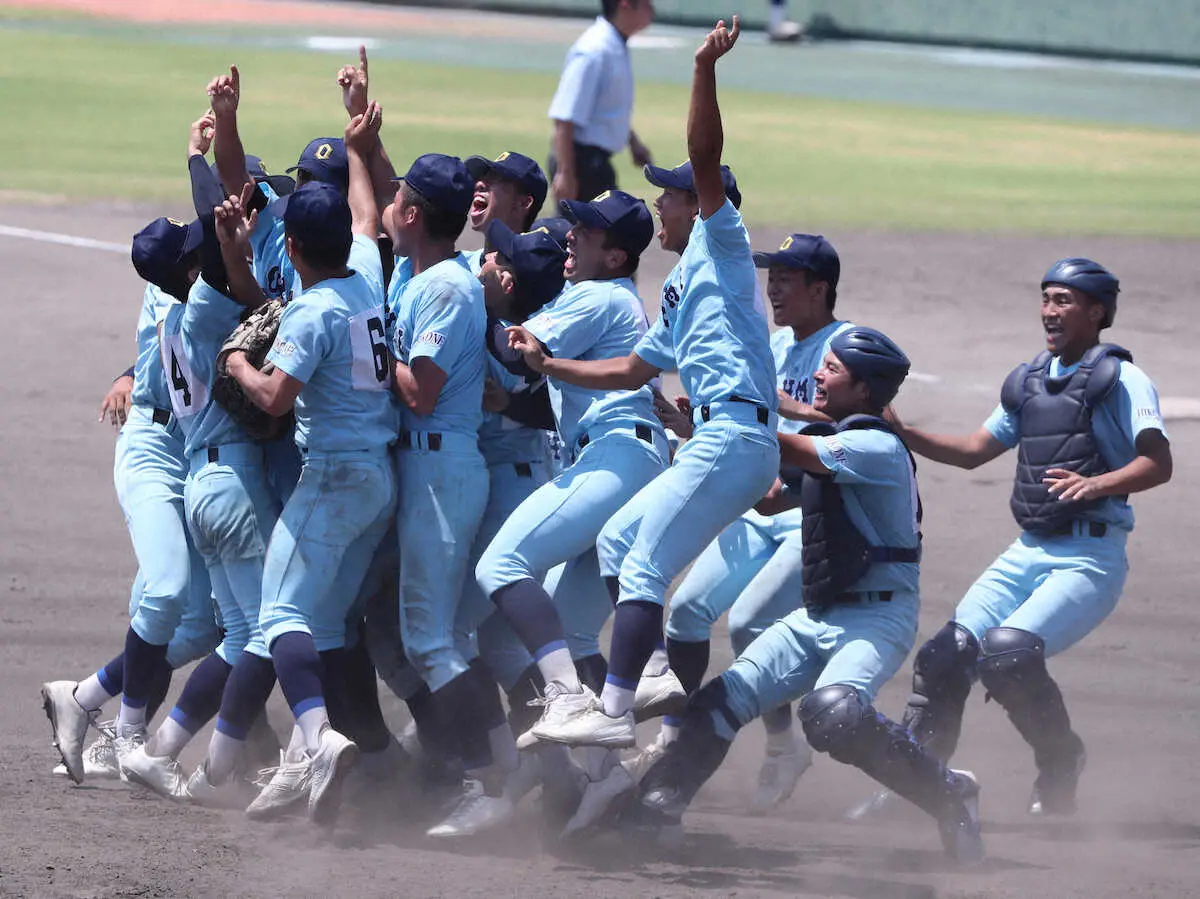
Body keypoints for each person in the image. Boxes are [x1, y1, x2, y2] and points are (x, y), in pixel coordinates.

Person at [507, 17, 782, 832]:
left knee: (642, 559)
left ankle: (615, 711)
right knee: (622, 541)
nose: (661, 200)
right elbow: (631, 370)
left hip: (737, 436)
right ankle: (642, 688)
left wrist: (703, 69)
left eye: (670, 193)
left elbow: (703, 151)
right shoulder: (680, 287)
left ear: (702, 206)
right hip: (718, 435)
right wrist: (552, 366)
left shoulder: (723, 244)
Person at [627, 327, 985, 863]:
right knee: (715, 705)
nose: (818, 374)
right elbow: (770, 499)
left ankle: (951, 793)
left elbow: (786, 444)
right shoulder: (838, 444)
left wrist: (715, 417)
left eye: (833, 369)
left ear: (863, 390)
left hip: (877, 620)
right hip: (819, 615)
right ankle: (655, 811)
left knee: (834, 715)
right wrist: (693, 433)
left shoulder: (873, 446)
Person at [854, 258, 1172, 820]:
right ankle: (916, 782)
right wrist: (904, 433)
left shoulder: (1122, 378)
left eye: (1063, 300)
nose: (1049, 310)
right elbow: (974, 452)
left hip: (1089, 558)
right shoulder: (1030, 381)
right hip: (1028, 549)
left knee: (1008, 654)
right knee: (944, 657)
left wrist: (1096, 482)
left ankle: (1061, 760)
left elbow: (1158, 462)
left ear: (1097, 312)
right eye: (1046, 298)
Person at [221, 111, 399, 825]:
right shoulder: (367, 274)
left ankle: (320, 740)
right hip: (378, 480)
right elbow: (367, 213)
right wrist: (359, 149)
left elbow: (273, 397)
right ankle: (306, 761)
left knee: (279, 614)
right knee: (322, 622)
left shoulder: (313, 311)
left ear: (291, 247)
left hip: (333, 477)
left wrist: (238, 361)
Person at [648, 232, 851, 811]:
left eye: (787, 278)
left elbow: (861, 434)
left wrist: (777, 419)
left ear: (820, 288)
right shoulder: (772, 344)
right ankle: (673, 738)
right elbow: (751, 421)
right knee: (687, 611)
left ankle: (783, 746)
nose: (774, 287)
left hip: (807, 516)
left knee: (749, 623)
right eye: (771, 276)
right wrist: (695, 428)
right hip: (756, 508)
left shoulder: (847, 350)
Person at [548, 0, 655, 205]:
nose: (652, 8)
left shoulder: (614, 44)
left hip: (592, 163)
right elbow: (564, 116)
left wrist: (633, 142)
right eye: (646, 3)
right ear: (625, 4)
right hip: (579, 163)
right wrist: (565, 172)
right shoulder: (594, 50)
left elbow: (605, 106)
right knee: (600, 223)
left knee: (611, 221)